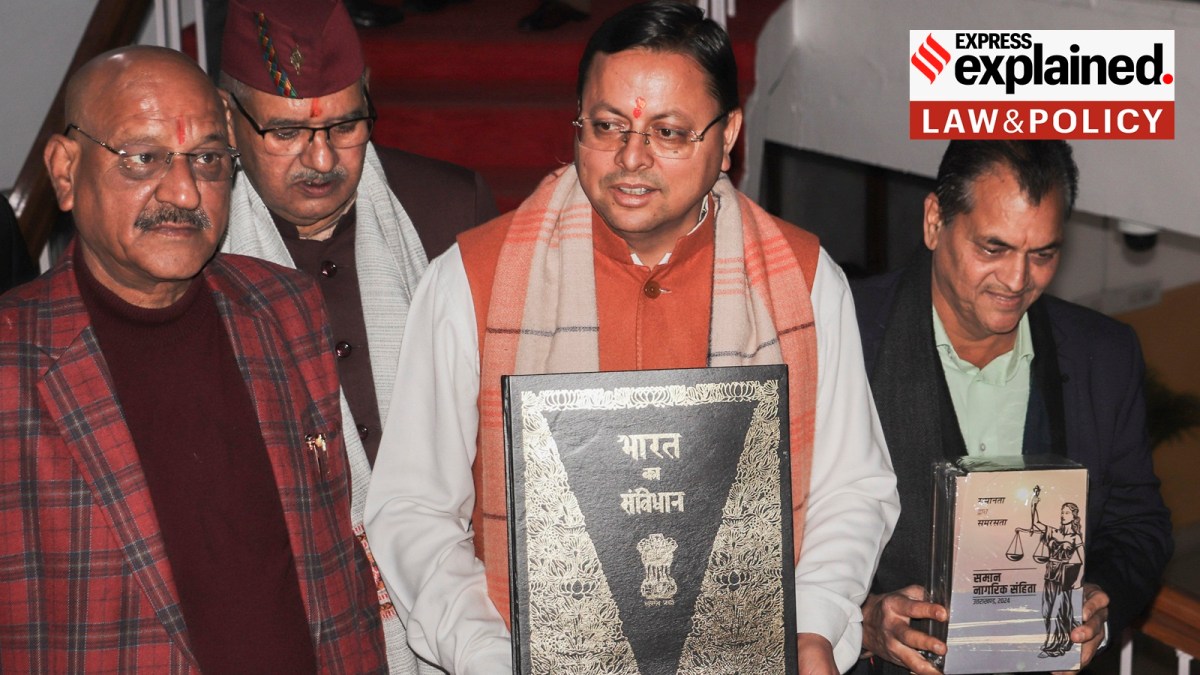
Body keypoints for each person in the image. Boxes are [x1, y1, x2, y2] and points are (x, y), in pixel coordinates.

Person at [365, 2, 899, 673]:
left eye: (669, 132)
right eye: (607, 125)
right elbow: (411, 506)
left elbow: (852, 488)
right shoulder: (472, 283)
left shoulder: (804, 280)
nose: (631, 158)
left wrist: (814, 622)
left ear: (729, 133)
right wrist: (487, 652)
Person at [0, 46, 385, 672]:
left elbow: (333, 567)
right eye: (144, 157)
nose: (184, 190)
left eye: (207, 158)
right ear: (65, 172)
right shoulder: (14, 362)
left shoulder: (286, 310)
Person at [218, 1, 496, 669]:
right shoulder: (200, 251)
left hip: (467, 608)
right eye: (285, 132)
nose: (321, 157)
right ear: (229, 122)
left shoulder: (447, 210)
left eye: (345, 124)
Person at [851, 140, 1174, 675]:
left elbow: (1140, 524)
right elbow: (775, 529)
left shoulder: (1104, 355)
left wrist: (1099, 603)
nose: (1018, 280)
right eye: (993, 248)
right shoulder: (844, 333)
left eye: (1043, 254)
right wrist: (861, 623)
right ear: (935, 221)